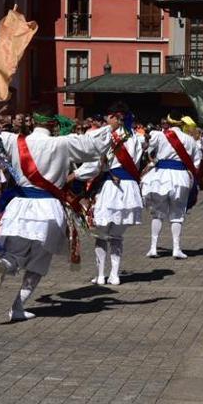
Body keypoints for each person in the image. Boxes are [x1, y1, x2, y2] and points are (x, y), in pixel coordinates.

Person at [0, 101, 113, 321]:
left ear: (32, 120)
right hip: (49, 208)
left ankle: (6, 263)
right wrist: (111, 127)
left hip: (20, 205)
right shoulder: (63, 143)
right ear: (53, 123)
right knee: (39, 262)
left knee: (15, 252)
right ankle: (17, 306)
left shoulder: (13, 140)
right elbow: (94, 146)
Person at [73, 103, 144, 286]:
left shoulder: (106, 136)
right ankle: (115, 275)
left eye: (108, 116)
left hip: (110, 188)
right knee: (117, 235)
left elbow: (95, 164)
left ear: (113, 117)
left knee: (100, 233)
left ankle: (101, 275)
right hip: (129, 189)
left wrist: (75, 175)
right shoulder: (136, 137)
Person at [141, 114, 201, 259]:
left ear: (168, 122)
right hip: (180, 177)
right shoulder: (189, 140)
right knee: (177, 214)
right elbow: (196, 162)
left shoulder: (160, 135)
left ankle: (153, 248)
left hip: (160, 177)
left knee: (157, 214)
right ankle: (176, 249)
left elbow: (147, 148)